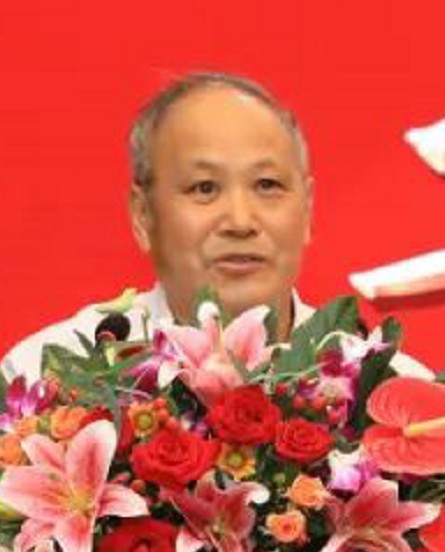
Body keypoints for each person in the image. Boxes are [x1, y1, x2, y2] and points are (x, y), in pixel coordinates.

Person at [0, 72, 430, 383]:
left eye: (267, 185)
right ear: (143, 215)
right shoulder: (46, 378)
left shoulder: (394, 396)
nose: (240, 221)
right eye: (204, 188)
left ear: (307, 210)